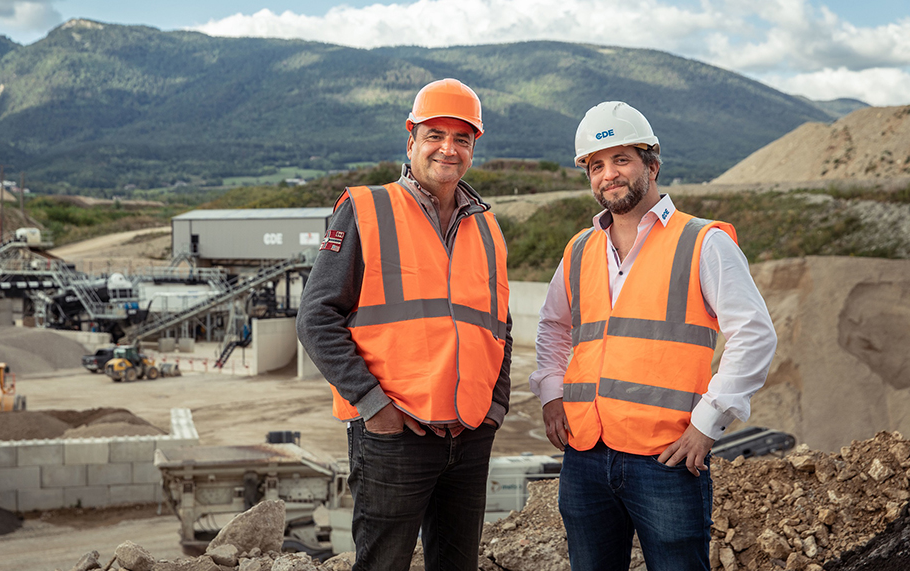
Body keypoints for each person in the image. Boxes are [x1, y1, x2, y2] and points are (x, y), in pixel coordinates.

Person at [531, 101, 777, 571]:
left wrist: (708, 424)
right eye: (596, 165)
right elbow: (553, 325)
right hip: (585, 455)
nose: (609, 175)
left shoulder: (703, 242)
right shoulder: (580, 249)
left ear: (652, 164)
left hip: (665, 458)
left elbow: (754, 335)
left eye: (622, 159)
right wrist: (550, 393)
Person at [296, 78, 512, 571]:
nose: (448, 149)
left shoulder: (487, 226)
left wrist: (495, 405)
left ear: (474, 146)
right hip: (394, 437)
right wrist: (375, 407)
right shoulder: (365, 210)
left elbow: (499, 327)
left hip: (469, 434)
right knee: (383, 565)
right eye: (435, 134)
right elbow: (315, 318)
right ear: (411, 138)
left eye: (462, 139)